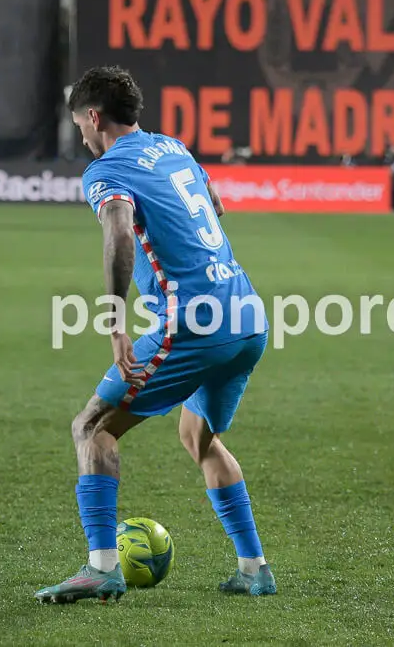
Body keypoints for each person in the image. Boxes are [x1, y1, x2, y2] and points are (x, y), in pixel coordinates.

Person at [34, 66, 276, 603]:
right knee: (198, 436)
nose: (82, 135)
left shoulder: (106, 170)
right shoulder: (172, 147)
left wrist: (116, 322)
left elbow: (120, 233)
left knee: (91, 427)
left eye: (79, 125)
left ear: (93, 116)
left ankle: (101, 567)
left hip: (194, 325)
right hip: (247, 315)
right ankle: (254, 568)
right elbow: (214, 205)